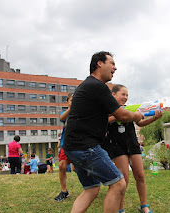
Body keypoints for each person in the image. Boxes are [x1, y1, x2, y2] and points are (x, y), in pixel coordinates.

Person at [62, 51, 144, 213]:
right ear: (100, 63)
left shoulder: (87, 86)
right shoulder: (97, 86)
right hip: (86, 147)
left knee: (91, 189)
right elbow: (120, 114)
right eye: (112, 63)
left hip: (72, 147)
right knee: (118, 184)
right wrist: (136, 116)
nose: (115, 67)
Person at [102, 84, 162, 213]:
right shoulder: (107, 109)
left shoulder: (129, 109)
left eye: (127, 95)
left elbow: (140, 122)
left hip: (132, 144)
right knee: (124, 178)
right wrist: (121, 115)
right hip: (116, 145)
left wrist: (154, 118)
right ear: (113, 94)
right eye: (123, 94)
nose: (125, 97)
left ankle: (144, 205)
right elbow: (103, 122)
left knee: (140, 175)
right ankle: (120, 209)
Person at [54, 92, 73, 202]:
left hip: (79, 144)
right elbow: (62, 117)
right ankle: (64, 191)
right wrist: (71, 109)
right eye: (71, 101)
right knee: (62, 166)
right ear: (67, 102)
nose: (74, 103)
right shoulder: (65, 113)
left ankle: (92, 182)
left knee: (77, 168)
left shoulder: (82, 112)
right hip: (66, 144)